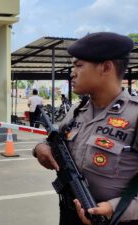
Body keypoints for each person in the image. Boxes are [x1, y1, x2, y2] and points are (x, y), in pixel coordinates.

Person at [33, 32, 138, 225]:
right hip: (69, 213)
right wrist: (40, 148)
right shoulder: (77, 110)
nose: (72, 72)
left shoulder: (135, 116)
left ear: (106, 67)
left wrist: (113, 209)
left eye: (79, 65)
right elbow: (52, 139)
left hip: (113, 219)